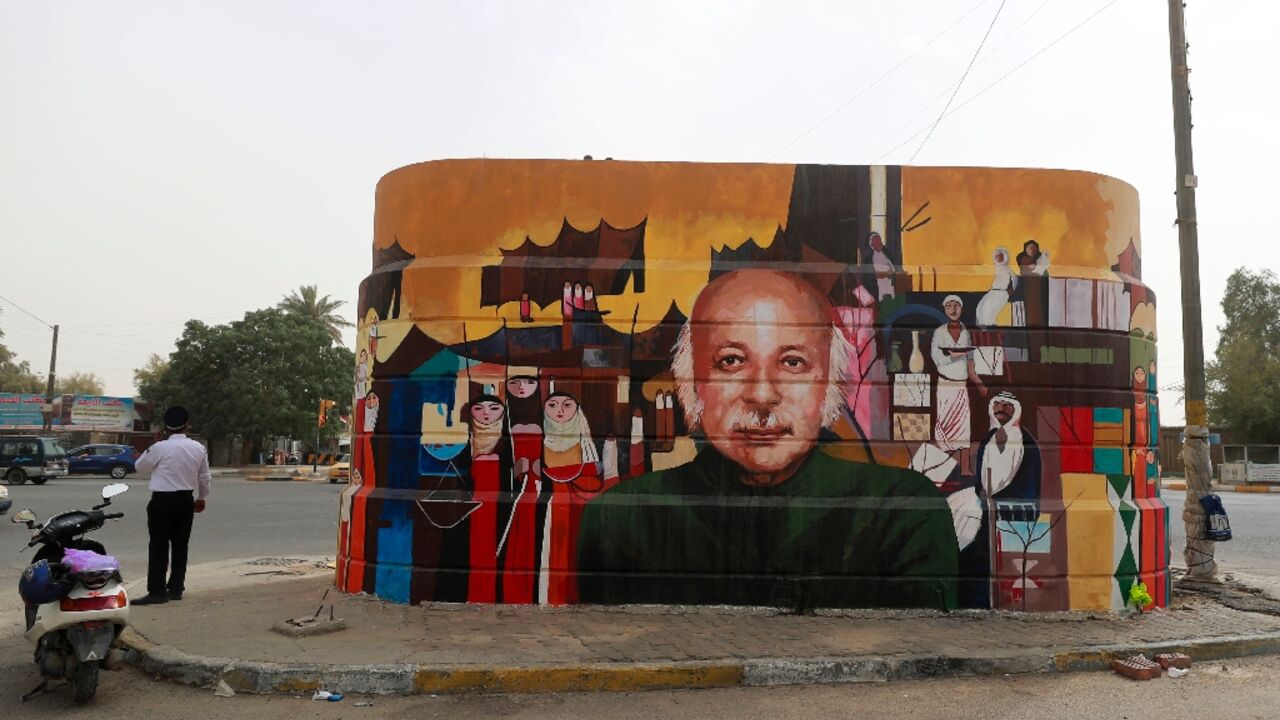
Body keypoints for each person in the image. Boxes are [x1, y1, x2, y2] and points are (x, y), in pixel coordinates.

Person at [577, 269, 959, 610]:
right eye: (731, 361)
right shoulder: (621, 518)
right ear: (690, 384)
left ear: (829, 384)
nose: (762, 394)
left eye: (792, 363)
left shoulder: (902, 512)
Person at [132, 406, 210, 605]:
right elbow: (204, 477)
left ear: (165, 427)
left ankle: (157, 591)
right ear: (187, 425)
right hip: (185, 501)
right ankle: (176, 588)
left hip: (161, 501)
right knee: (180, 545)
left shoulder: (160, 447)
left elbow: (139, 467)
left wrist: (153, 443)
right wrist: (201, 498)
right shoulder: (198, 448)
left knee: (158, 546)